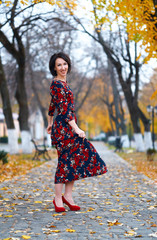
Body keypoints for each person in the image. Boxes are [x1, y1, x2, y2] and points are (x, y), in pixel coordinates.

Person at [47, 52, 107, 212]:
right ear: (54, 68)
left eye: (64, 64)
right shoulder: (57, 84)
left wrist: (49, 123)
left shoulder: (63, 84)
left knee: (72, 161)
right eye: (59, 65)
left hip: (64, 125)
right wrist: (76, 128)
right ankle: (58, 198)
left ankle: (68, 196)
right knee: (65, 162)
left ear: (68, 64)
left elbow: (52, 105)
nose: (62, 67)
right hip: (65, 128)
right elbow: (65, 110)